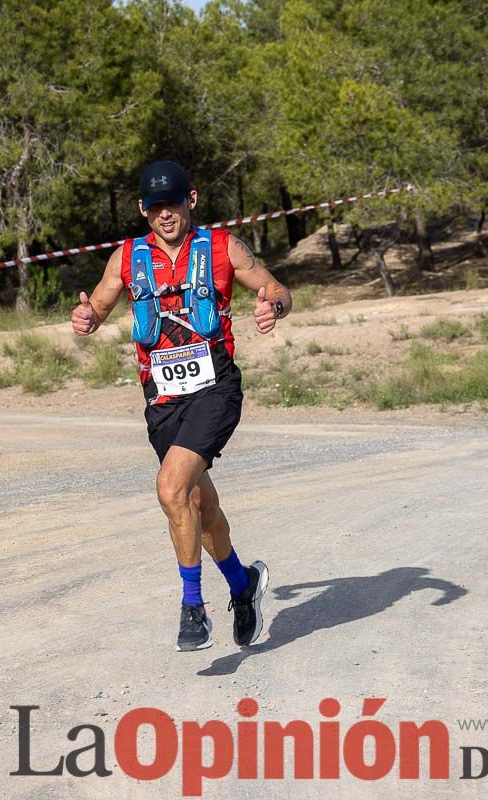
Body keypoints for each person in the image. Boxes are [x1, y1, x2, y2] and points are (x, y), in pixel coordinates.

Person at [71, 161, 293, 651]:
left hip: (215, 390)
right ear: (142, 209)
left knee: (171, 489)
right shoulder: (127, 257)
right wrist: (86, 317)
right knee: (197, 503)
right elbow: (99, 307)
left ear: (190, 200)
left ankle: (193, 608)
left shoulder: (222, 247)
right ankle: (243, 585)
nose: (164, 214)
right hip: (161, 401)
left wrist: (271, 305)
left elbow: (276, 288)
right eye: (155, 207)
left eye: (172, 203)